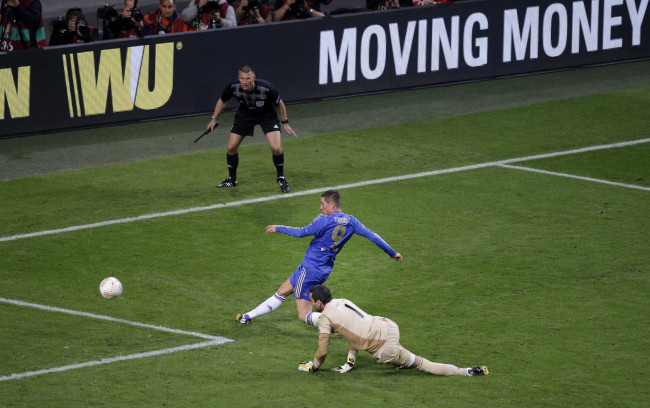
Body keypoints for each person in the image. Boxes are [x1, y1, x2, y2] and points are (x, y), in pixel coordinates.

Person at [236, 190, 403, 326]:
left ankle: (341, 324)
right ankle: (248, 316)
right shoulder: (351, 221)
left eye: (323, 204)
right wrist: (392, 252)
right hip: (323, 269)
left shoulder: (324, 220)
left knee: (303, 315)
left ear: (332, 204)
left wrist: (278, 227)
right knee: (283, 290)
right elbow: (373, 236)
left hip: (309, 269)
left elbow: (301, 232)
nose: (321, 208)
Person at [297, 284, 490, 377]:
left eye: (312, 300)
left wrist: (313, 367)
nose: (310, 302)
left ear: (319, 303)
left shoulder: (325, 319)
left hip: (384, 348)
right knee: (402, 357)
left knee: (423, 364)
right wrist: (350, 361)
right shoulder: (343, 301)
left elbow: (322, 352)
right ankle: (400, 362)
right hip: (388, 326)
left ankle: (467, 372)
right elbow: (354, 332)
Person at [206, 65, 296, 192]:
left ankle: (281, 177)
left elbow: (279, 103)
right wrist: (214, 118)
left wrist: (285, 122)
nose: (244, 81)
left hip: (267, 116)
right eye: (242, 78)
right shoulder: (234, 87)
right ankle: (232, 180)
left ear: (254, 78)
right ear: (239, 78)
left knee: (276, 148)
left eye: (247, 78)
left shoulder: (266, 88)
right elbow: (222, 100)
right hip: (245, 115)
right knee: (231, 148)